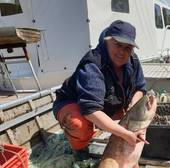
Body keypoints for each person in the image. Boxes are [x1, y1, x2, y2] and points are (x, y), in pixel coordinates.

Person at [52, 20, 148, 159]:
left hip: (105, 105)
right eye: (118, 45)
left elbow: (140, 88)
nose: (122, 52)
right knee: (78, 124)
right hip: (74, 104)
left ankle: (103, 128)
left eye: (127, 48)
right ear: (107, 41)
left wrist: (133, 106)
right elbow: (90, 110)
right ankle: (79, 150)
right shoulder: (93, 64)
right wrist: (123, 133)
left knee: (138, 114)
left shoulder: (133, 60)